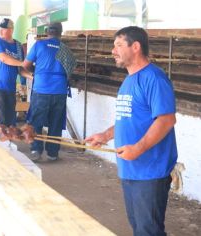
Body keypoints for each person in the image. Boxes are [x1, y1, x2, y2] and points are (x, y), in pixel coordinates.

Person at [84, 26, 178, 236]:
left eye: (118, 45)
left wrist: (138, 148)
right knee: (139, 227)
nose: (113, 51)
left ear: (135, 47)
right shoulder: (128, 81)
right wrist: (106, 135)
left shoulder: (154, 78)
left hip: (150, 171)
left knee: (149, 230)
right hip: (130, 168)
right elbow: (126, 119)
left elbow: (166, 120)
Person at [23, 22, 76, 162]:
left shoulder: (39, 45)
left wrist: (36, 73)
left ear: (47, 32)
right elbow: (70, 71)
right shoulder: (66, 50)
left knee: (36, 122)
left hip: (41, 89)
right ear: (60, 33)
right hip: (59, 91)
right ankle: (53, 153)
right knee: (56, 123)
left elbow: (25, 65)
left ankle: (36, 150)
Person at [0, 18, 31, 126]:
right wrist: (22, 63)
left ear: (11, 30)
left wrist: (32, 76)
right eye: (0, 28)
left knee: (11, 119)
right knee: (1, 120)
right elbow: (4, 58)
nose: (1, 31)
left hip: (11, 88)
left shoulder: (18, 46)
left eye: (4, 28)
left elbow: (20, 70)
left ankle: (9, 142)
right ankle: (0, 141)